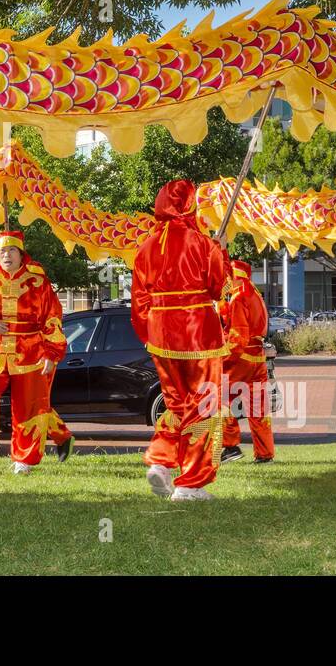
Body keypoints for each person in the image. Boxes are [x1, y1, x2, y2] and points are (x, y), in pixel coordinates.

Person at [131, 179, 229, 502]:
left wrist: (150, 336)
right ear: (190, 205)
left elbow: (139, 303)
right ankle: (191, 482)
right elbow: (220, 289)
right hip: (198, 333)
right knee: (204, 405)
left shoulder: (145, 248)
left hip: (161, 335)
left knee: (175, 403)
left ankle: (161, 460)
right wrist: (221, 250)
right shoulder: (202, 244)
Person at [0, 231, 73, 476]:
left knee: (28, 407)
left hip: (30, 353)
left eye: (11, 250)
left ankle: (25, 459)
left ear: (21, 254)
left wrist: (52, 354)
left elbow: (52, 319)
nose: (6, 255)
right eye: (1, 251)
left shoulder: (39, 283)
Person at [219, 260, 273, 465]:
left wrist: (224, 357)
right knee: (258, 409)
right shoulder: (254, 294)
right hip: (257, 357)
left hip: (240, 358)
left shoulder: (238, 297)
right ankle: (265, 453)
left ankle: (230, 445)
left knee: (219, 397)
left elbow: (238, 335)